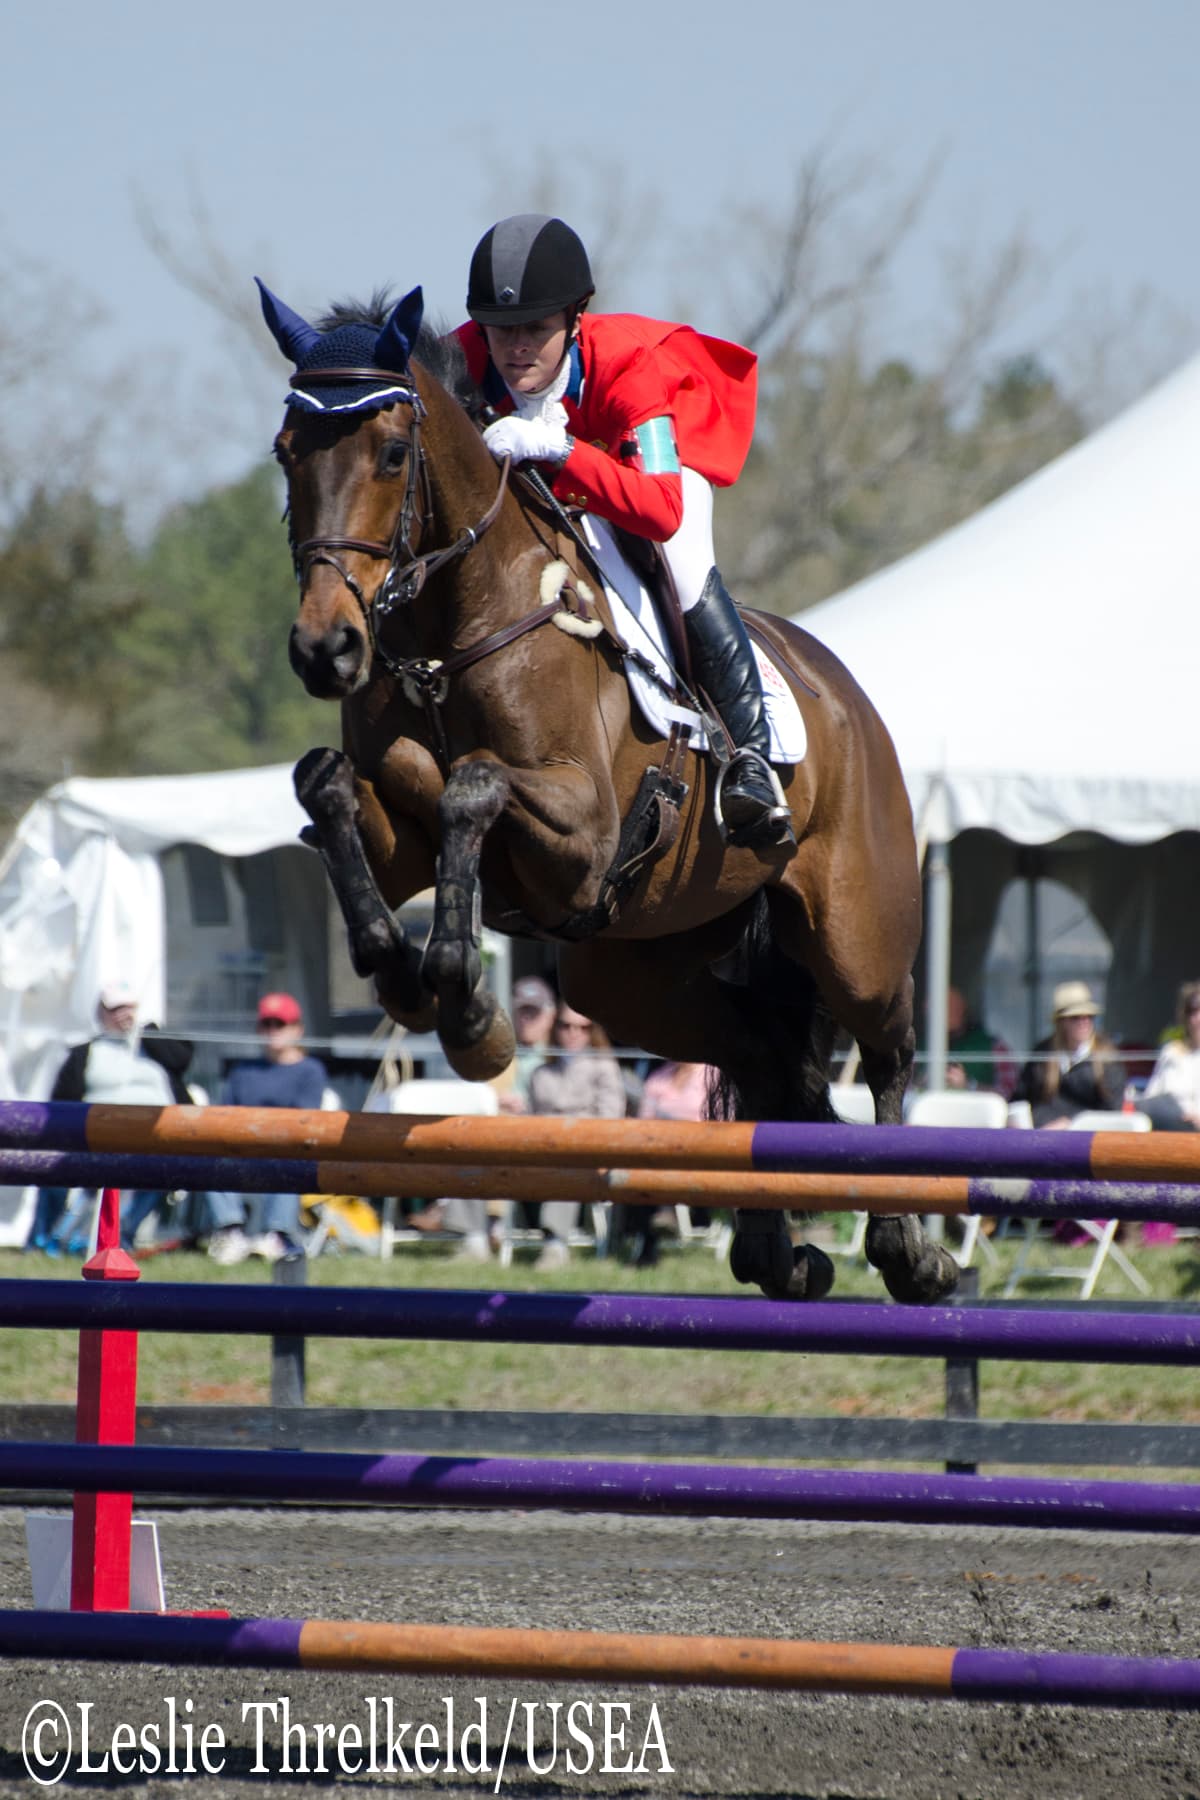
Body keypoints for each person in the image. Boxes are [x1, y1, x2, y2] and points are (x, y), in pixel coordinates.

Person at [457, 212, 793, 853]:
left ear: (575, 317)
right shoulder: (465, 356)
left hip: (656, 454)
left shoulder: (629, 367)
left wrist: (560, 450)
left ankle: (750, 759)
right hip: (564, 458)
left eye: (535, 329)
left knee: (682, 559)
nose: (516, 348)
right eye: (500, 330)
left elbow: (661, 508)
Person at [25, 980, 194, 1255]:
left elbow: (182, 1059)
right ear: (101, 1013)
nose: (122, 1014)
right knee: (50, 1165)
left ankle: (122, 1236)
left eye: (128, 1007)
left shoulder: (154, 1046)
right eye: (115, 1009)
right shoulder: (85, 1053)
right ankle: (45, 1239)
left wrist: (148, 1035)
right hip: (96, 1140)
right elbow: (62, 1103)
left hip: (157, 1140)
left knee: (166, 1169)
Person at [206, 993, 327, 1264]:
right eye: (267, 1024)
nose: (273, 1030)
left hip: (287, 1150)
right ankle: (231, 1230)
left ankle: (278, 1235)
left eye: (280, 1024)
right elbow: (223, 1117)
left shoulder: (310, 1070)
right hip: (242, 1151)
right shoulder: (242, 1071)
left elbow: (303, 1123)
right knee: (208, 1156)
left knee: (291, 1157)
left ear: (297, 1029)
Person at [526, 1004, 627, 1270]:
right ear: (555, 1028)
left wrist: (568, 1130)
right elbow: (528, 1119)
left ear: (592, 1031)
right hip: (540, 1149)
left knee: (566, 1162)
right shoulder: (540, 1072)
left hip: (585, 1151)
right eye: (565, 1025)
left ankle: (555, 1245)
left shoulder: (604, 1067)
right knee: (484, 1155)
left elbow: (611, 1117)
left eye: (582, 1027)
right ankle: (475, 1237)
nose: (573, 1033)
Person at [1009, 980, 1125, 1128]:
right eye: (1075, 1017)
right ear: (1061, 1022)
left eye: (1089, 1016)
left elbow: (1112, 1110)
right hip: (1041, 1134)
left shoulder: (1107, 1057)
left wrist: (1071, 1123)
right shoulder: (1043, 1053)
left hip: (1088, 1137)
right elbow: (1022, 1097)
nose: (1084, 1022)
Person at [1140, 980, 1200, 1131]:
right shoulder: (1171, 1052)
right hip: (1169, 1134)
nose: (1198, 1019)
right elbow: (1150, 1099)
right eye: (1192, 1011)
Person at [944, 987, 1017, 1097]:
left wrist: (968, 1086)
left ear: (962, 1009)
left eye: (950, 1006)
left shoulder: (993, 1046)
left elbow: (1007, 1094)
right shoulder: (920, 1047)